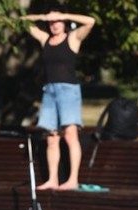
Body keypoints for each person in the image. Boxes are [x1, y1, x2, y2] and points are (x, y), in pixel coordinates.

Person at [21, 8, 95, 191]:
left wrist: (65, 16)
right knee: (51, 138)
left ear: (64, 23)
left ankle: (72, 179)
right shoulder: (45, 39)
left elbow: (90, 21)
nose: (54, 25)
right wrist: (42, 16)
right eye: (51, 22)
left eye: (58, 21)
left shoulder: (72, 38)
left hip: (68, 91)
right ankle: (52, 179)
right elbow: (22, 22)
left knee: (70, 135)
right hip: (50, 91)